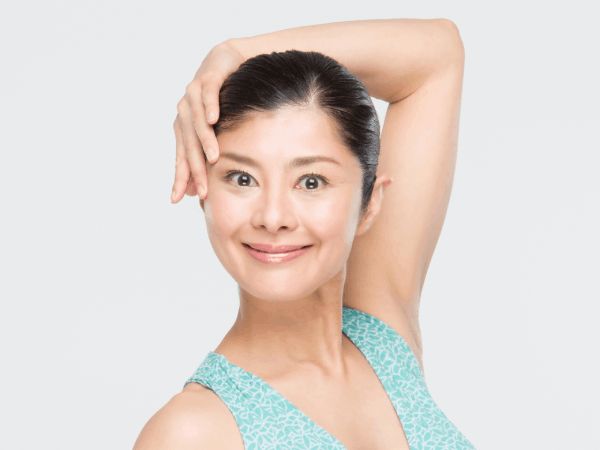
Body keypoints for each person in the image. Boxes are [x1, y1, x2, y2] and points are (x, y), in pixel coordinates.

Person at [134, 18, 473, 449]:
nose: (273, 216)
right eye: (242, 178)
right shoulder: (193, 432)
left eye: (311, 182)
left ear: (370, 203)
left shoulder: (383, 339)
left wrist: (236, 53)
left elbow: (437, 53)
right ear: (202, 190)